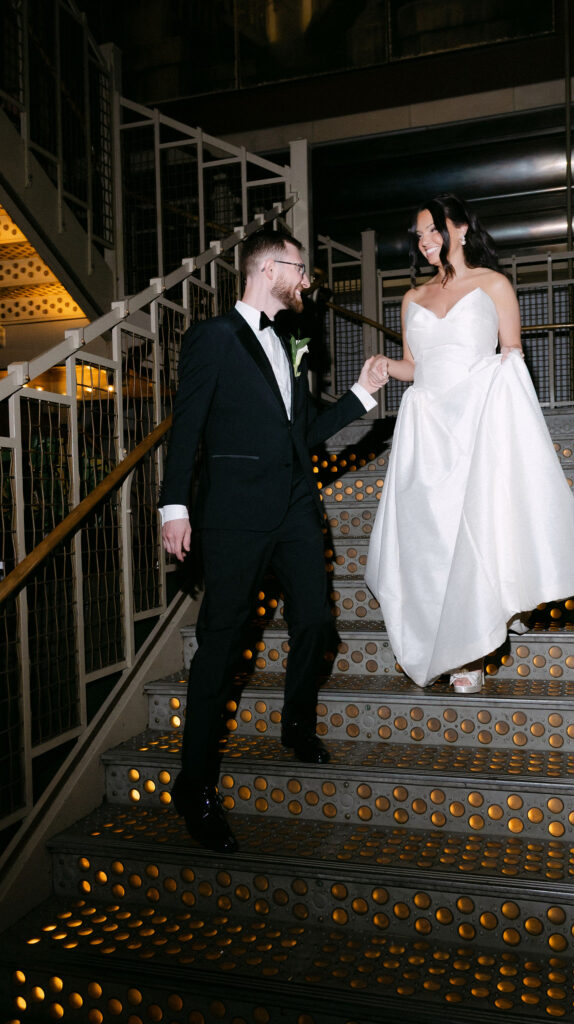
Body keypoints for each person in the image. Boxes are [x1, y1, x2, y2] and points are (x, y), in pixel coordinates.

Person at [160, 226, 385, 853]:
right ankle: (195, 787)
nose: (308, 281)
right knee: (220, 652)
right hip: (233, 518)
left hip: (293, 509)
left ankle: (295, 724)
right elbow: (188, 428)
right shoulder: (213, 338)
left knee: (316, 621)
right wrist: (173, 505)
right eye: (302, 270)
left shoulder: (288, 340)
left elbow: (303, 429)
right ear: (268, 269)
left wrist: (364, 393)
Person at [365, 194, 574, 695]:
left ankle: (470, 652)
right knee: (432, 544)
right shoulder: (411, 298)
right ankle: (436, 639)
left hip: (476, 423)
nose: (426, 241)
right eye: (418, 234)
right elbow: (417, 367)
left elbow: (511, 357)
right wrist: (388, 367)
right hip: (426, 429)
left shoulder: (494, 285)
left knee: (473, 535)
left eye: (434, 230)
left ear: (462, 229)